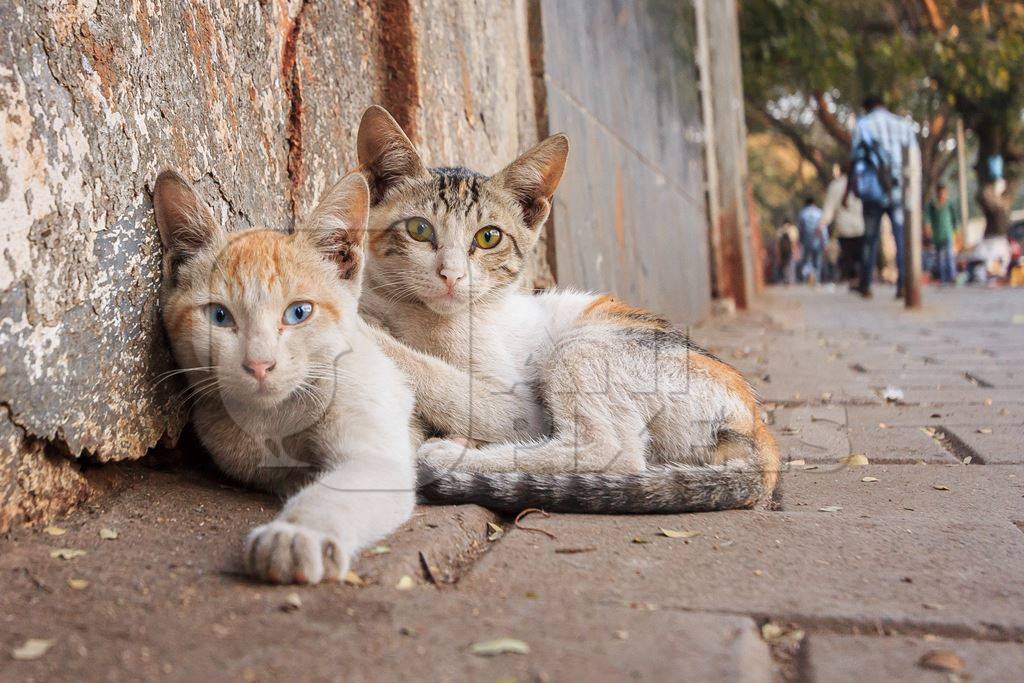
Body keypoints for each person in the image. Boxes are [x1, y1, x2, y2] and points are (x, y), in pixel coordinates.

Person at [850, 95, 920, 298]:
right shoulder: (902, 124)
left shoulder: (863, 125)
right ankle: (904, 284)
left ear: (867, 108)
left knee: (870, 238)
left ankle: (866, 284)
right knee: (901, 237)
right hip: (900, 189)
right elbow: (914, 159)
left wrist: (854, 186)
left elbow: (856, 158)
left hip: (873, 190)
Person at [818, 169, 864, 283]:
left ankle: (851, 276)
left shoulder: (836, 185)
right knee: (859, 255)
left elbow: (829, 207)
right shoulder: (862, 182)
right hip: (861, 226)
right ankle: (858, 277)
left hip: (844, 227)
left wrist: (822, 223)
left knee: (848, 255)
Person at [925, 182, 960, 284]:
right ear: (937, 192)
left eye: (943, 192)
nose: (942, 194)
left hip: (948, 233)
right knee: (940, 257)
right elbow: (926, 218)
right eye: (940, 192)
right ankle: (943, 278)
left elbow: (954, 220)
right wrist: (927, 228)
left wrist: (957, 232)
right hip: (937, 235)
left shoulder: (949, 204)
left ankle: (952, 277)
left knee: (949, 255)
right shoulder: (932, 205)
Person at [797, 197, 824, 283]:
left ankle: (806, 279)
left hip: (806, 240)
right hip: (818, 240)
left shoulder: (803, 213)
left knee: (806, 260)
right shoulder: (819, 212)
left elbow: (800, 228)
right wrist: (825, 241)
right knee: (817, 260)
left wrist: (800, 240)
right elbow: (823, 228)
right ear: (814, 203)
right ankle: (817, 280)